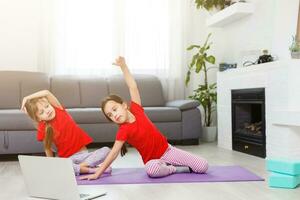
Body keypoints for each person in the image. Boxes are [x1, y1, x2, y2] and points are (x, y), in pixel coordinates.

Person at [80, 56, 208, 180]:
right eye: (110, 115)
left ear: (124, 105)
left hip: (168, 151)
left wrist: (123, 66)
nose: (114, 115)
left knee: (203, 166)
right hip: (153, 162)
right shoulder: (123, 131)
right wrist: (98, 173)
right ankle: (173, 169)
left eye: (115, 109)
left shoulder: (136, 109)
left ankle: (171, 164)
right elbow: (113, 153)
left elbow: (132, 86)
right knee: (151, 170)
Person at [21, 90, 111, 176]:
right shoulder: (42, 127)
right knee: (63, 166)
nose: (47, 111)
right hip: (68, 159)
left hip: (84, 155)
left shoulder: (59, 110)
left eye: (47, 106)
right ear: (39, 119)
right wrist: (52, 165)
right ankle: (92, 169)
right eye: (42, 112)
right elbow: (47, 148)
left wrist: (27, 97)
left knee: (106, 150)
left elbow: (46, 92)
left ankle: (82, 168)